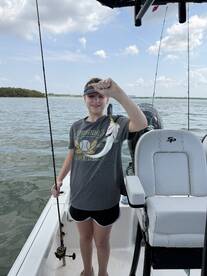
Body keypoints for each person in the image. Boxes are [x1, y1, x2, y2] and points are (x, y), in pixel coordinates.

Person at [51, 77, 147, 276]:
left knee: (101, 242)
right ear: (84, 98)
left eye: (100, 97)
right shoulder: (76, 127)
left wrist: (118, 92)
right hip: (79, 196)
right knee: (84, 239)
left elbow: (141, 123)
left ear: (107, 100)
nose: (96, 101)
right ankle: (88, 271)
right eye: (91, 96)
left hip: (106, 198)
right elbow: (71, 155)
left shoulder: (116, 124)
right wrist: (59, 179)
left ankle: (103, 273)